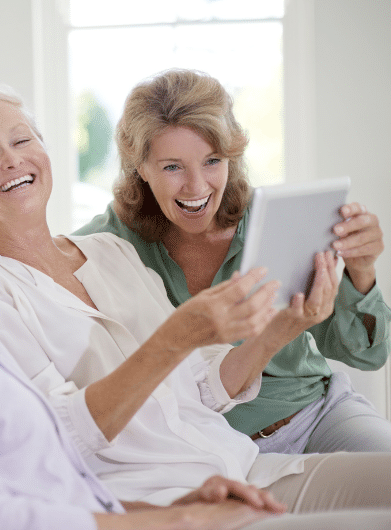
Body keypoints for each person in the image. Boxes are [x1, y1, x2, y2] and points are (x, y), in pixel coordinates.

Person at [0, 77, 326, 530]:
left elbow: (45, 475)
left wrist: (163, 513)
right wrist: (172, 520)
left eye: (20, 141)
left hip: (194, 486)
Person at [0, 81, 391, 520]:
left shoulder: (109, 253)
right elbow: (54, 439)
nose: (11, 159)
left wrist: (285, 327)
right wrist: (176, 338)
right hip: (170, 493)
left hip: (248, 459)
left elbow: (202, 385)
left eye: (22, 140)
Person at [74, 68, 391, 454]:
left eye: (212, 161)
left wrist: (361, 270)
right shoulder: (103, 245)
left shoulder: (278, 220)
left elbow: (366, 353)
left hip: (317, 416)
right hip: (210, 448)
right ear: (140, 167)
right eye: (172, 166)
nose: (196, 186)